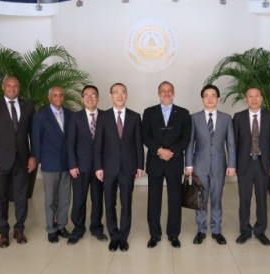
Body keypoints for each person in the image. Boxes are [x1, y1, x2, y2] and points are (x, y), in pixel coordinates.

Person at [0, 76, 37, 248]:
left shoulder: (28, 106)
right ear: (3, 87)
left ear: (19, 88)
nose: (12, 88)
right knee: (1, 197)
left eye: (16, 86)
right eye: (9, 86)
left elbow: (33, 134)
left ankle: (19, 229)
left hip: (22, 160)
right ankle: (3, 231)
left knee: (21, 197)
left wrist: (33, 156)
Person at [94, 83, 144, 252]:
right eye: (116, 92)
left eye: (123, 92)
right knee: (109, 203)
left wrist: (139, 166)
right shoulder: (103, 117)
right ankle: (113, 236)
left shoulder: (135, 117)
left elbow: (138, 143)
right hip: (108, 168)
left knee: (126, 203)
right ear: (110, 96)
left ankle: (123, 237)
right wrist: (98, 167)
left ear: (127, 95)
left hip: (128, 167)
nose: (119, 95)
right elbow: (98, 144)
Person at [142, 81, 191, 249]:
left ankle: (173, 234)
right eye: (163, 91)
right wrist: (159, 150)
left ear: (174, 93)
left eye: (169, 90)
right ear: (158, 93)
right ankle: (154, 234)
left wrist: (171, 152)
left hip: (174, 161)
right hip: (155, 161)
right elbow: (145, 136)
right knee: (153, 200)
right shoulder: (149, 112)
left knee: (175, 200)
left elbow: (186, 138)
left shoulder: (184, 113)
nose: (166, 93)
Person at [185, 84, 236, 245]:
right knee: (200, 199)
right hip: (199, 165)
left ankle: (216, 230)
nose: (209, 98)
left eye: (213, 95)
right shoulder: (194, 118)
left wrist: (232, 164)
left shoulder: (226, 118)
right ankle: (201, 230)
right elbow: (189, 143)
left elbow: (231, 143)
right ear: (202, 99)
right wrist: (188, 164)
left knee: (216, 199)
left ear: (218, 98)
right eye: (206, 95)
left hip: (219, 165)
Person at [233, 87, 270, 246]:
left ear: (261, 98)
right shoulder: (238, 117)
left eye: (257, 96)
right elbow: (234, 144)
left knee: (262, 200)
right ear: (245, 99)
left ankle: (260, 231)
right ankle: (245, 231)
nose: (254, 99)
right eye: (250, 96)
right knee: (244, 199)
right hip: (244, 165)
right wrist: (233, 164)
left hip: (263, 164)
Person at [66, 85, 108, 245]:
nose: (90, 98)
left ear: (98, 98)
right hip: (80, 166)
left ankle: (96, 228)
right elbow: (69, 143)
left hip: (100, 167)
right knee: (79, 199)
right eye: (87, 95)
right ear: (82, 99)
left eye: (93, 95)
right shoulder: (75, 117)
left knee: (97, 198)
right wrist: (72, 164)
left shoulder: (105, 116)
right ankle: (78, 229)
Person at [32, 86, 73, 244]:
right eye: (54, 95)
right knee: (50, 199)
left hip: (67, 162)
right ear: (49, 97)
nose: (58, 97)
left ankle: (61, 225)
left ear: (63, 97)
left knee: (64, 198)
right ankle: (51, 228)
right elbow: (36, 140)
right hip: (50, 163)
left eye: (60, 95)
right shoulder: (40, 116)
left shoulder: (70, 114)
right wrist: (37, 159)